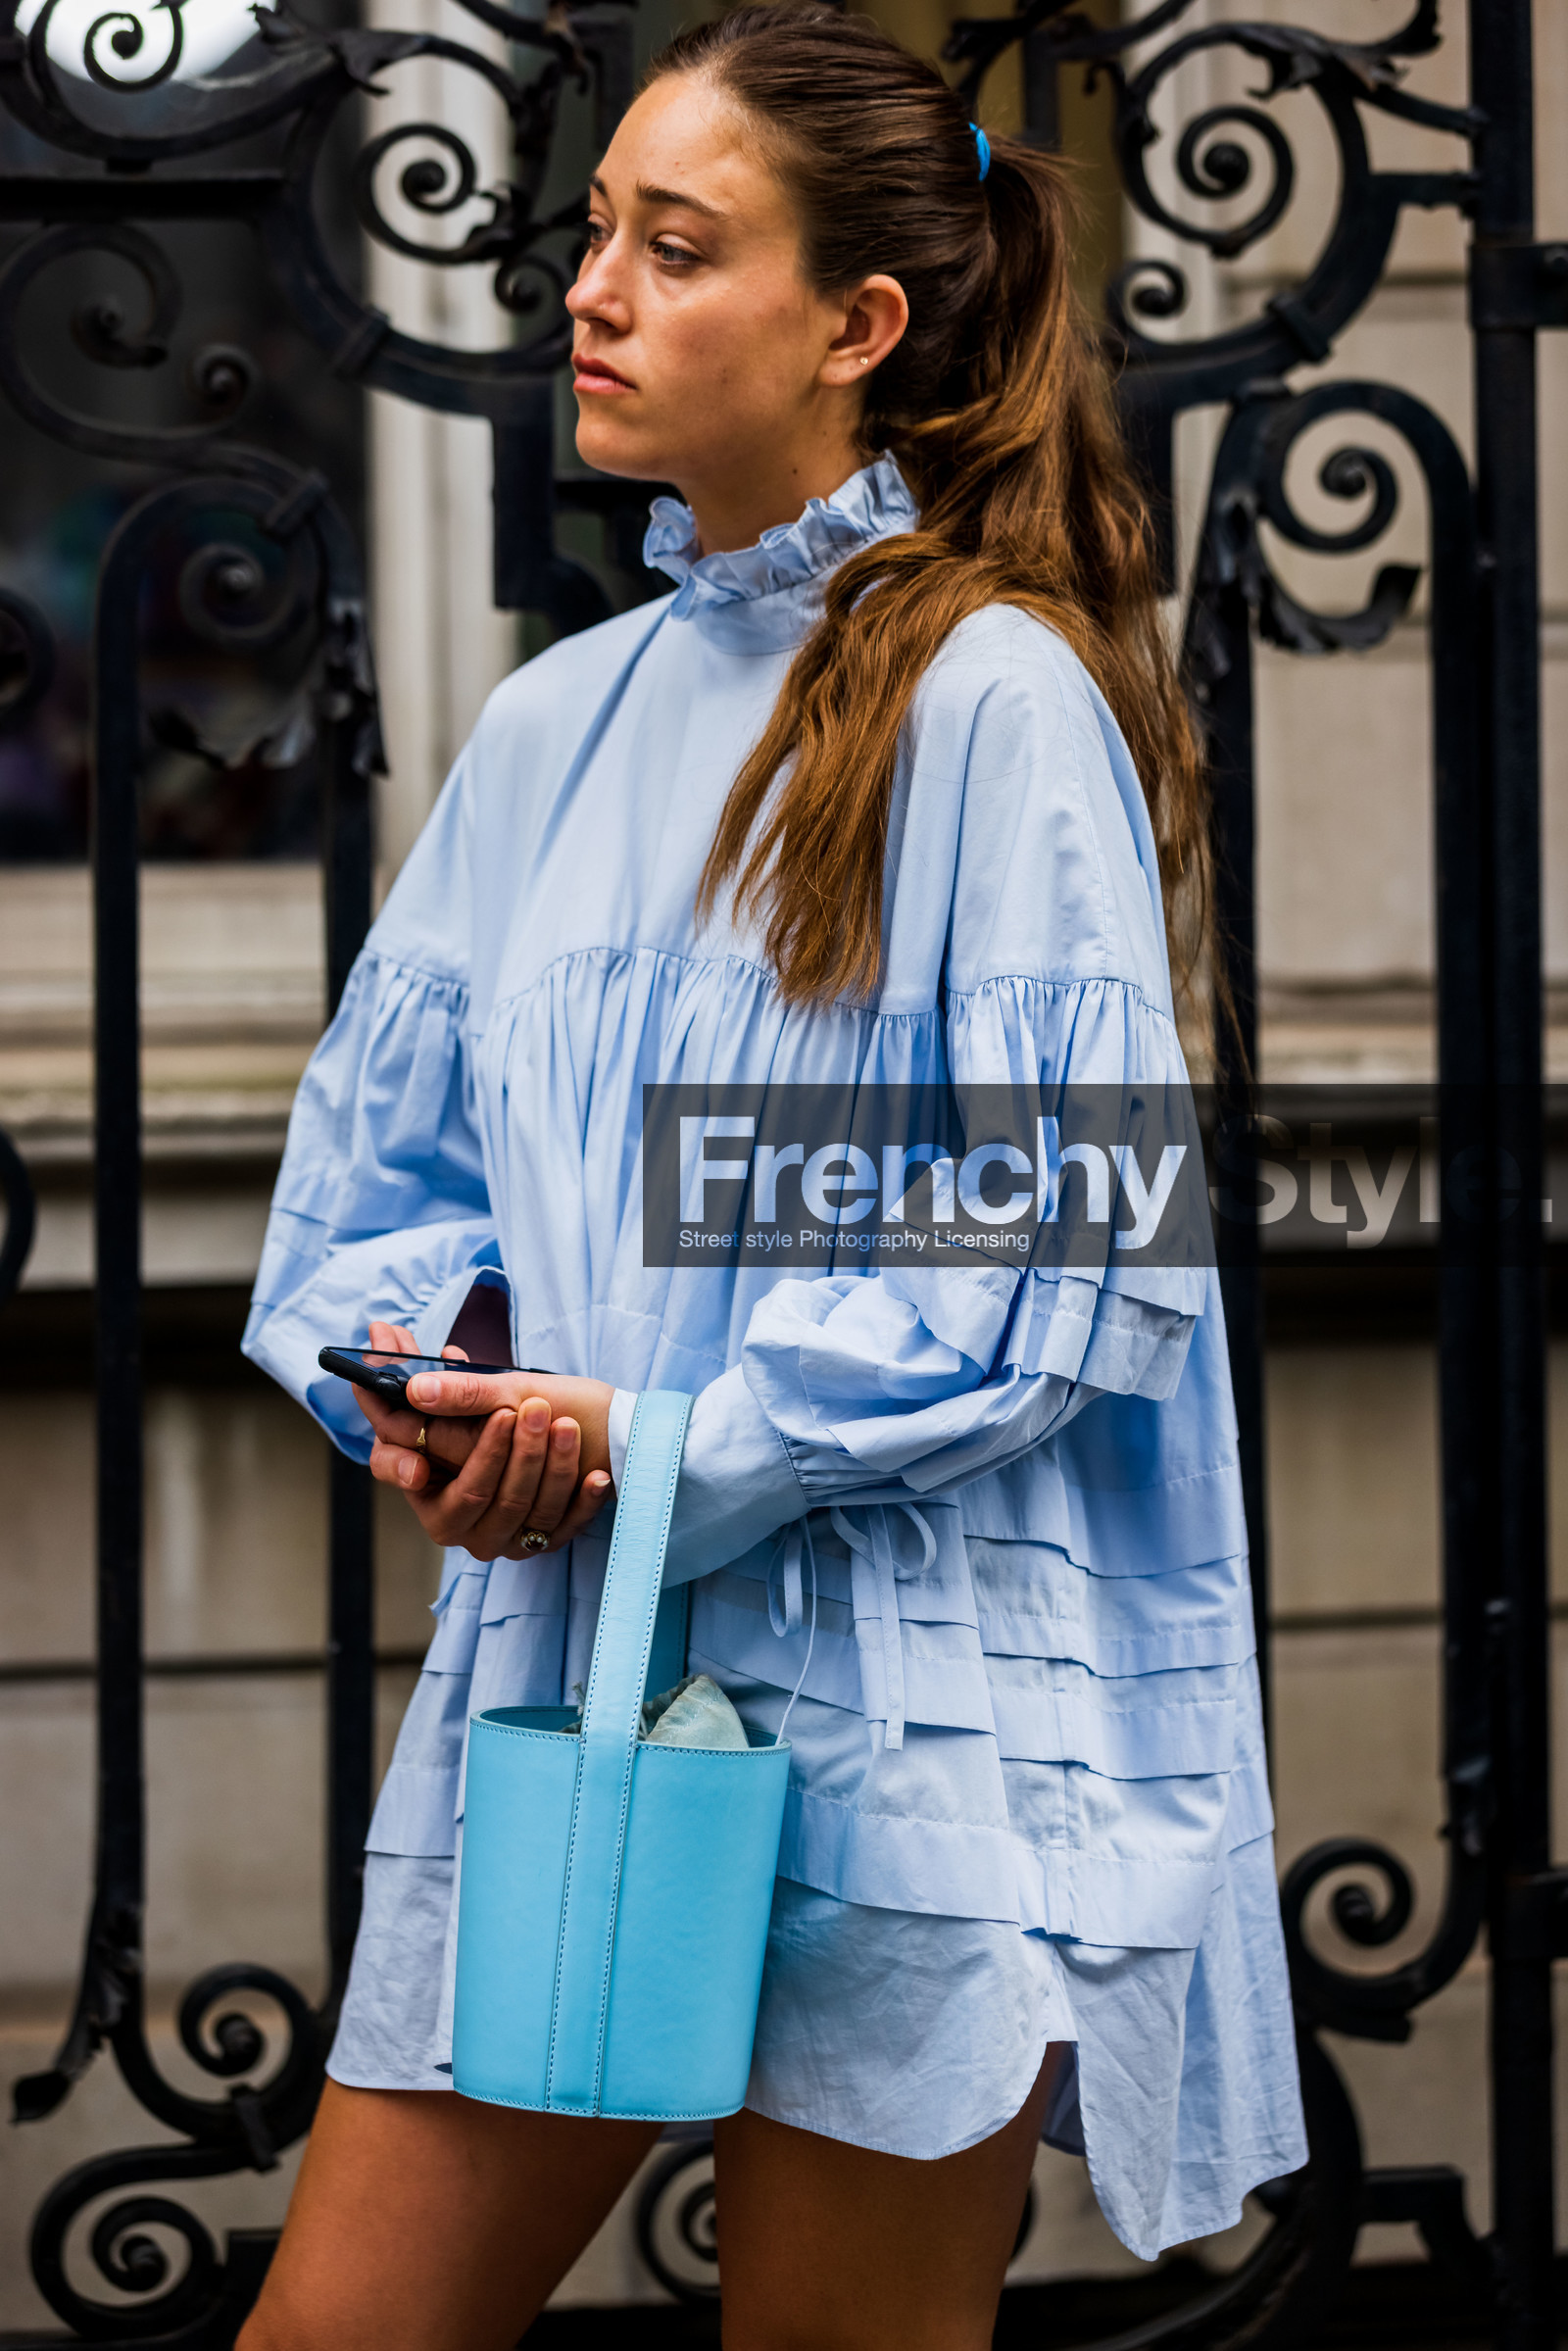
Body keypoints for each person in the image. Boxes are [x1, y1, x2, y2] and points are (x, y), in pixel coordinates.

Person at [238, 9, 1305, 2346]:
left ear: (858, 327)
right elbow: (382, 1196)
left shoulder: (995, 699)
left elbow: (1048, 1245)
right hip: (574, 1674)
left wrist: (673, 1436)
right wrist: (458, 1391)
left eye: (673, 243)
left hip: (911, 1698)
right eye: (593, 232)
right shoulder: (555, 723)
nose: (589, 291)